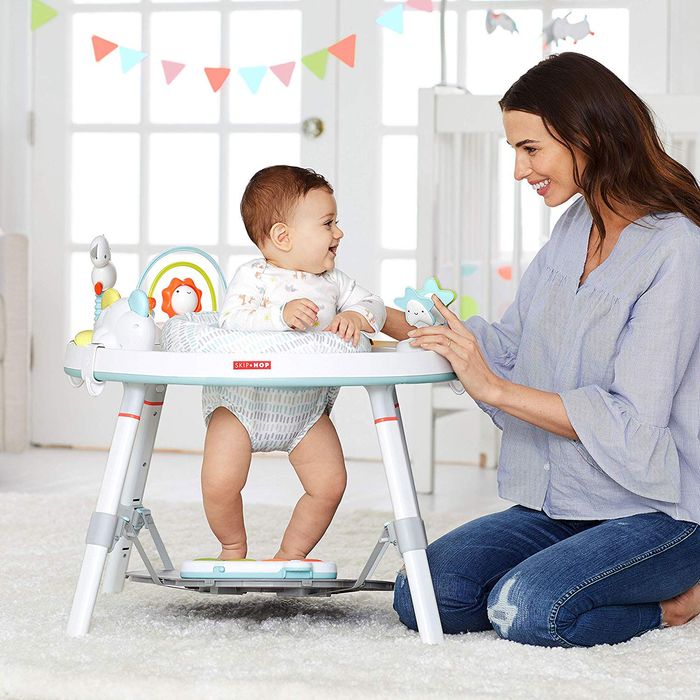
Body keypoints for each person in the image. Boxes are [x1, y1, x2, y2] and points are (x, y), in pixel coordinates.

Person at [384, 53, 700, 647]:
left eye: (530, 149)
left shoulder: (676, 248)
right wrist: (391, 320)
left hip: (660, 513)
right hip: (560, 505)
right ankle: (568, 574)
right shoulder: (574, 226)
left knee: (526, 610)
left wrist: (494, 389)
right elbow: (509, 346)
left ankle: (676, 605)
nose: (518, 170)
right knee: (423, 595)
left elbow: (631, 422)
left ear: (588, 136)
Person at [202, 165, 385, 561]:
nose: (339, 233)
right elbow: (230, 319)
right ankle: (231, 547)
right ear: (282, 236)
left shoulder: (334, 281)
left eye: (336, 223)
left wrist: (356, 316)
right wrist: (279, 315)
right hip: (241, 405)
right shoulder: (253, 276)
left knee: (330, 483)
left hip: (302, 410)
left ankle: (291, 552)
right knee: (219, 483)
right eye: (328, 223)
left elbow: (374, 305)